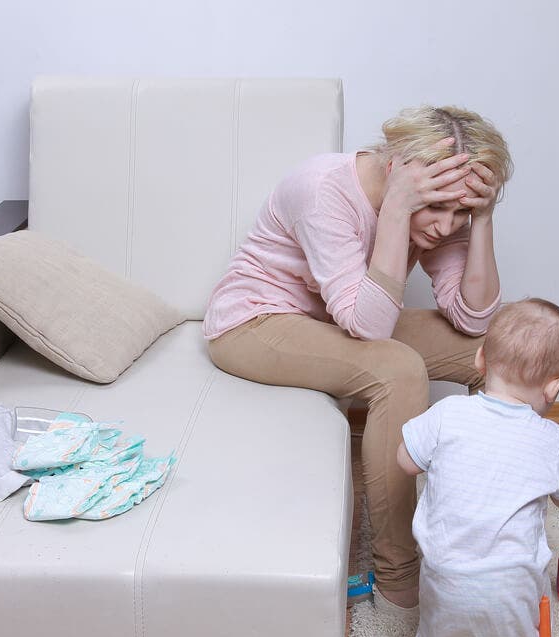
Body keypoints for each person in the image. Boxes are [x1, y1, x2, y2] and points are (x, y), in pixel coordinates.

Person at [203, 105, 513, 611]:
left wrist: (481, 219)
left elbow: (473, 319)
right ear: (399, 172)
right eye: (437, 207)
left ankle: (486, 529)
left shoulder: (445, 208)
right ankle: (398, 575)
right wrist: (394, 210)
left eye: (461, 211)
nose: (443, 226)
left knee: (499, 348)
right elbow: (367, 328)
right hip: (254, 323)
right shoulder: (323, 187)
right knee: (397, 368)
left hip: (337, 318)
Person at [396, 298, 559, 637]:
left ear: (480, 359)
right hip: (513, 590)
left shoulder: (448, 413)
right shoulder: (551, 439)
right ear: (555, 388)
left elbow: (405, 462)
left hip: (446, 583)